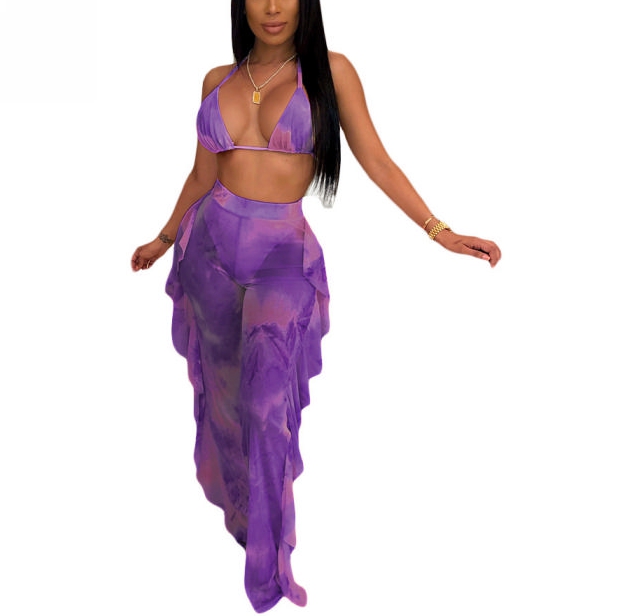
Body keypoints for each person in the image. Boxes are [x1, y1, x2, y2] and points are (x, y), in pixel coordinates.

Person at [131, 0, 501, 611]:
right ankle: (247, 522)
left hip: (282, 258)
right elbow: (201, 177)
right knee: (225, 404)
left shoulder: (331, 71)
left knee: (267, 406)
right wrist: (163, 238)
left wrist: (440, 231)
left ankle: (270, 566)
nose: (273, 7)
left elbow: (376, 161)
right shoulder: (216, 79)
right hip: (210, 253)